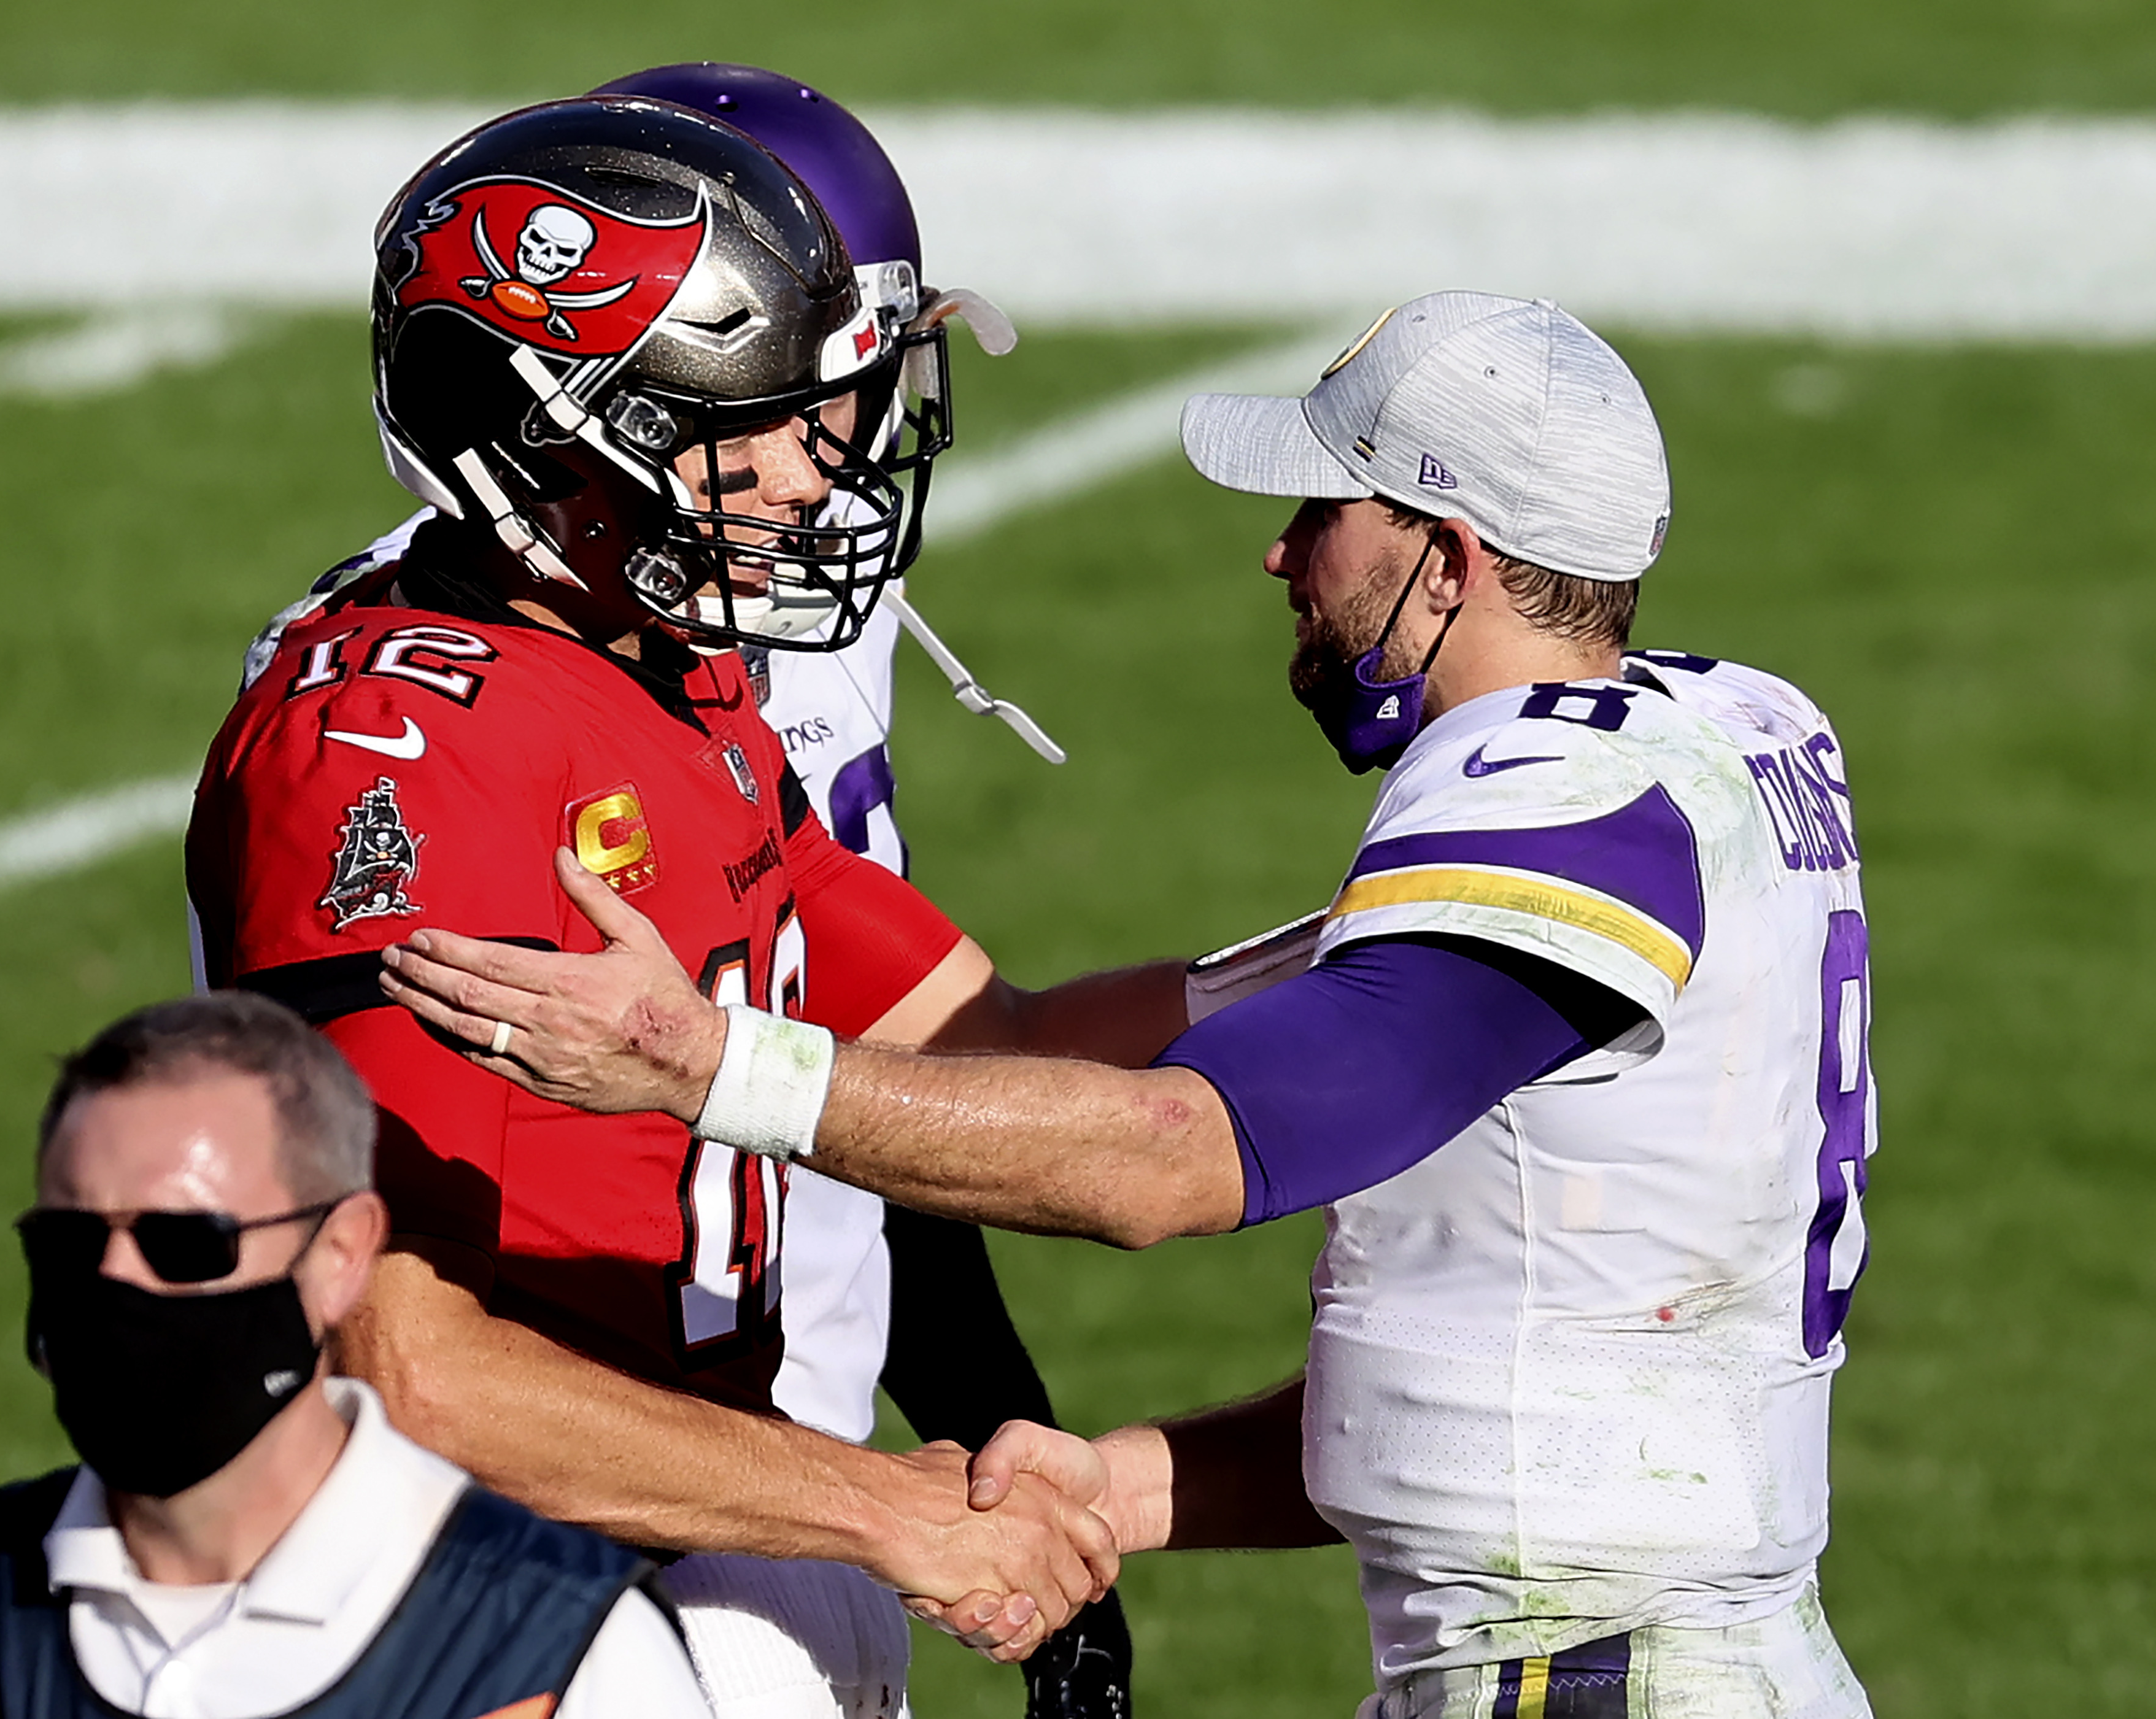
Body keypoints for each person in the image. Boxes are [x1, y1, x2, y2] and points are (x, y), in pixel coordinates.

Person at [376, 292, 1882, 1715]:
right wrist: (1129, 1486)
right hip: (1650, 1646)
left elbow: (1171, 1161)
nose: (1282, 558)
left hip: (1593, 1677)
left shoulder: (1554, 797)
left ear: (1450, 555)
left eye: (1324, 513)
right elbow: (1509, 1398)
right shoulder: (1734, 735)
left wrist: (703, 1065)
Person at [185, 93, 1154, 1715]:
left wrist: (1396, 958)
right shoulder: (401, 742)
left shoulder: (654, 671)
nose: (803, 477)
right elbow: (398, 1357)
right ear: (553, 440)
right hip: (471, 1595)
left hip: (693, 1523)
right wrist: (884, 1512)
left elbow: (1002, 1039)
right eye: (741, 426)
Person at [0, 992, 711, 1719]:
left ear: (340, 1257)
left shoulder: (558, 1654)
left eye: (187, 1243)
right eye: (74, 1246)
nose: (117, 1287)